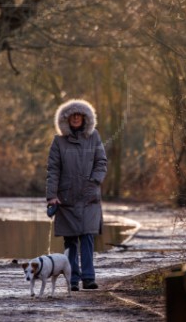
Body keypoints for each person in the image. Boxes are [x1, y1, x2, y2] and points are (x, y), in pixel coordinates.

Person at [46, 98, 108, 291]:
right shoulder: (58, 141)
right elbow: (53, 170)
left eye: (78, 115)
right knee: (71, 239)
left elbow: (101, 162)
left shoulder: (94, 137)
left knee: (88, 237)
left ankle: (89, 278)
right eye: (72, 115)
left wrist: (94, 181)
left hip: (89, 196)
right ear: (66, 118)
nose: (75, 118)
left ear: (84, 118)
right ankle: (73, 279)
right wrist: (51, 196)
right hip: (66, 198)